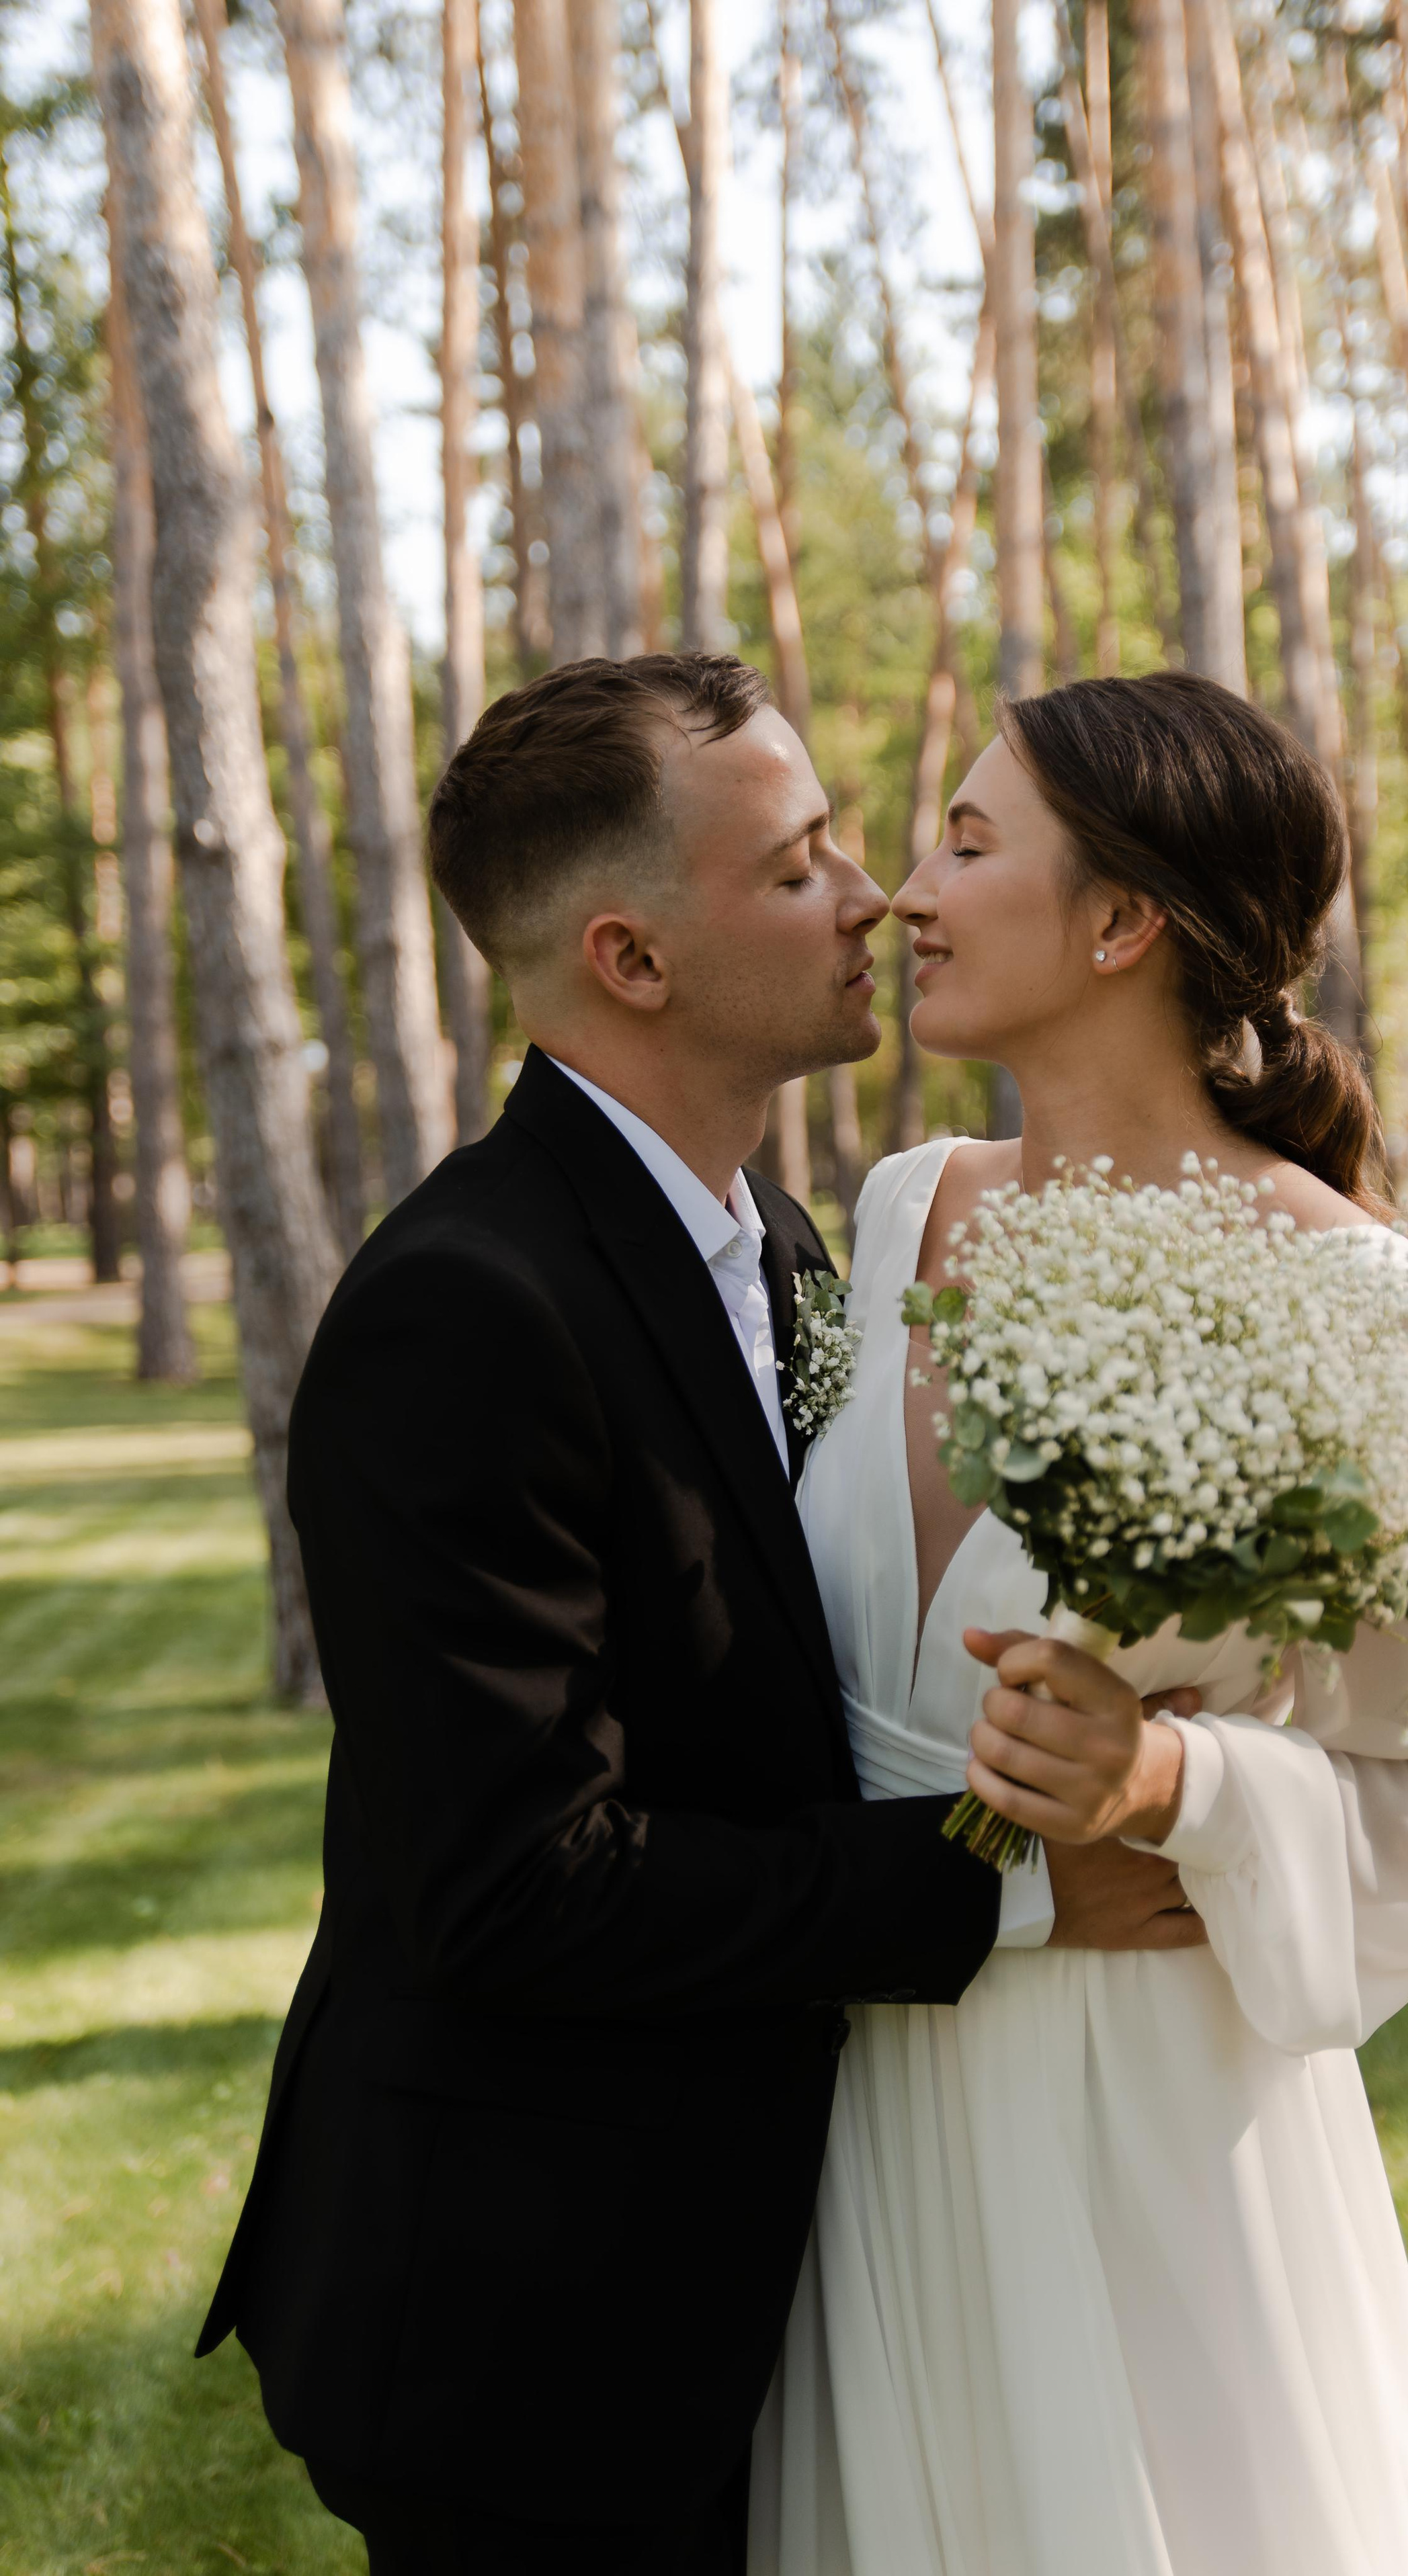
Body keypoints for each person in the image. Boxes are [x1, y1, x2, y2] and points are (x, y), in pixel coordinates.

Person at [194, 654, 1198, 2576]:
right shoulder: (462, 1310)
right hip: (536, 2329)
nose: (873, 897)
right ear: (633, 958)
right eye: (801, 864)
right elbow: (520, 1888)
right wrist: (1001, 1885)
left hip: (782, 2267)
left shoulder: (793, 1248)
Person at [747, 671, 1408, 2576]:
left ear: (1120, 922)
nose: (905, 895)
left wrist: (1173, 1780)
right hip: (858, 2089)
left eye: (965, 846)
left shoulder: (1378, 1314)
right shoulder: (904, 1208)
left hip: (1143, 2116)